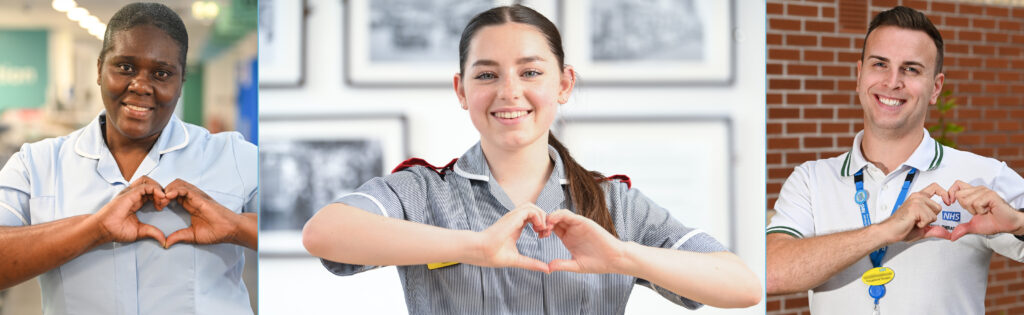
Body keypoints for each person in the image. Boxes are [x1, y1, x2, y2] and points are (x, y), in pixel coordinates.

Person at [302, 5, 760, 314]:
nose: (509, 91)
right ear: (462, 90)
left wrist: (622, 256)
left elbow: (742, 286)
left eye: (531, 72)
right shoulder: (420, 192)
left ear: (564, 84)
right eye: (487, 74)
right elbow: (324, 233)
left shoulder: (615, 206)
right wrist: (473, 248)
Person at [0, 3, 257, 314]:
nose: (140, 86)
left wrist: (235, 225)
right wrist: (94, 229)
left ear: (180, 82)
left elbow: (309, 235)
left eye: (161, 73)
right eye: (125, 67)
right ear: (99, 69)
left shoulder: (233, 156)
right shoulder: (37, 164)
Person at [766, 6, 1024, 315]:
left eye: (911, 69)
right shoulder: (811, 179)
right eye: (880, 64)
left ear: (936, 88)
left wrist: (1019, 223)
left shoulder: (983, 176)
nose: (892, 81)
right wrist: (886, 230)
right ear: (859, 75)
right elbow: (771, 272)